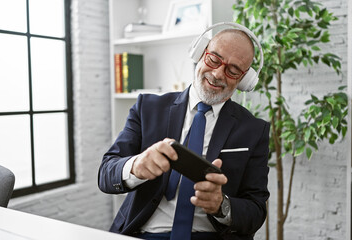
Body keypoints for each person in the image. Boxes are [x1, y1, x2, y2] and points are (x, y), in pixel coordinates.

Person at [98, 23, 270, 240]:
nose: (218, 74)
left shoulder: (254, 130)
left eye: (233, 70)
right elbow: (105, 174)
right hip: (145, 233)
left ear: (244, 80)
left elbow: (256, 210)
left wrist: (221, 205)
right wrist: (136, 166)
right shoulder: (147, 107)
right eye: (213, 59)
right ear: (200, 53)